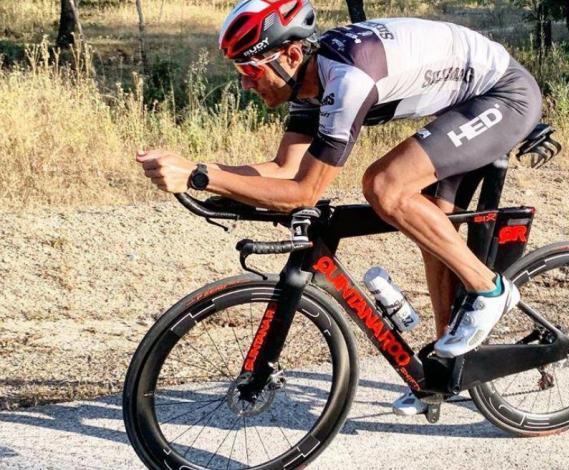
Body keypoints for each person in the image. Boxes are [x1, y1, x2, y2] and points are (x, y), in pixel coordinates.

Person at [136, 0, 542, 416]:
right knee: (427, 223)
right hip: (461, 103)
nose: (245, 84)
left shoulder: (345, 79)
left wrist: (202, 176)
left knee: (385, 186)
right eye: (240, 72)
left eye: (251, 71)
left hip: (502, 95)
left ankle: (490, 291)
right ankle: (447, 366)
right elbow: (284, 169)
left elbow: (302, 192)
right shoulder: (307, 82)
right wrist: (199, 170)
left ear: (292, 54)